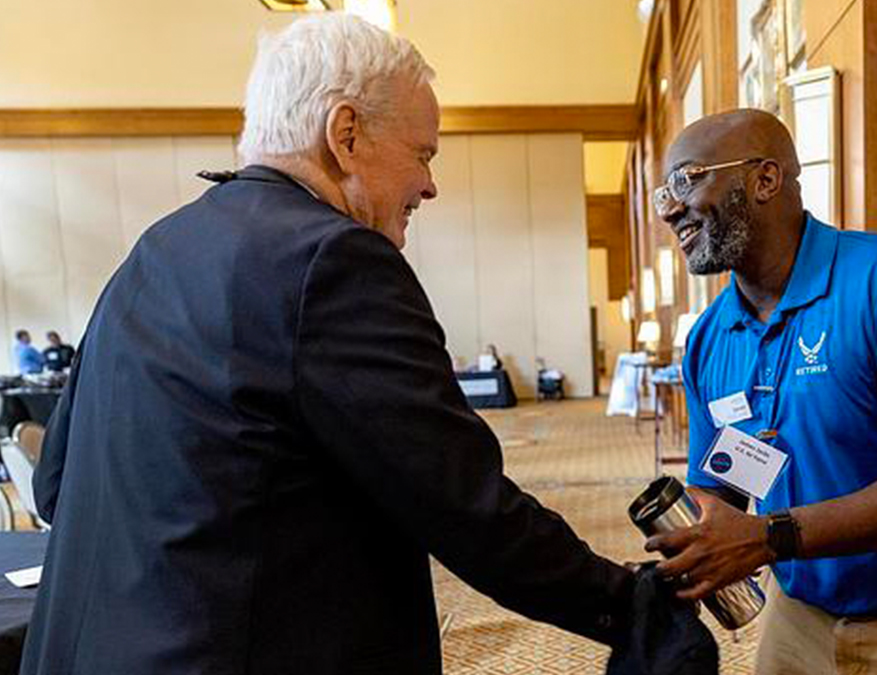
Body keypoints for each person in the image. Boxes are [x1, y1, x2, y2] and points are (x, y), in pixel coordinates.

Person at [20, 15, 635, 675]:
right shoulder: (334, 261)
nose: (430, 185)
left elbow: (55, 483)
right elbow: (464, 502)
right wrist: (628, 606)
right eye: (424, 153)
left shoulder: (152, 250)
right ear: (346, 134)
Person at [646, 110, 877, 675]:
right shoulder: (709, 337)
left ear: (764, 180)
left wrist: (772, 538)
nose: (671, 208)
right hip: (797, 621)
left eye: (687, 179)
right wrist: (687, 549)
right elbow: (722, 484)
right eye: (662, 193)